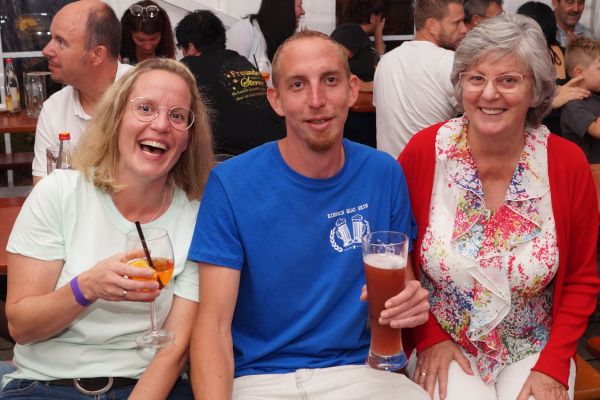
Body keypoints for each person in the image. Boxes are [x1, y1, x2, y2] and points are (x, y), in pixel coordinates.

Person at [188, 30, 430, 399]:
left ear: (352, 90)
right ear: (276, 99)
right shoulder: (231, 184)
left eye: (330, 80)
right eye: (298, 84)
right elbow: (213, 326)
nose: (317, 101)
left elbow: (400, 291)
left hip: (361, 373)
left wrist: (410, 303)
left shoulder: (383, 174)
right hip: (260, 379)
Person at [399, 13, 600, 400]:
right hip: (444, 341)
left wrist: (554, 364)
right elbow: (398, 258)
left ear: (536, 89)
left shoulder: (565, 163)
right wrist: (428, 336)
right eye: (476, 78)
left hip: (535, 345)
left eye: (508, 80)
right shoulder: (425, 152)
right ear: (461, 84)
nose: (489, 94)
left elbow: (581, 279)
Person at [2, 58, 214, 399]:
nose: (161, 124)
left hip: (146, 386)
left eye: (177, 116)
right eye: (145, 108)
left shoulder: (198, 218)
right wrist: (87, 287)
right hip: (47, 385)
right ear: (116, 119)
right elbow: (21, 327)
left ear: (188, 139)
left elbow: (173, 352)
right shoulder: (59, 193)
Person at [32, 0, 132, 185]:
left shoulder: (148, 94)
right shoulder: (53, 108)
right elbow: (43, 191)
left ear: (97, 54)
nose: (46, 50)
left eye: (60, 42)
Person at [175, 10, 285, 156]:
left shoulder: (188, 67)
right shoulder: (241, 61)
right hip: (279, 148)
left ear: (191, 47)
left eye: (181, 48)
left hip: (235, 157)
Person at [374, 0, 467, 158]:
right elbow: (477, 114)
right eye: (456, 23)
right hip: (430, 168)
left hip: (390, 168)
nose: (464, 29)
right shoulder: (448, 61)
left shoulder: (386, 60)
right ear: (432, 25)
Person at [518, 1, 591, 135]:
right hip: (566, 132)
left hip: (548, 133)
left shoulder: (521, 59)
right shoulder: (564, 53)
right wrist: (551, 101)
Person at [226, 0, 304, 68]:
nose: (303, 12)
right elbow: (229, 74)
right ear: (285, 8)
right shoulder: (243, 30)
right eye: (299, 6)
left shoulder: (284, 41)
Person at [330, 0, 385, 92]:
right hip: (355, 97)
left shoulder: (357, 33)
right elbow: (333, 61)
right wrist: (363, 85)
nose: (380, 20)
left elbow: (382, 61)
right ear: (372, 18)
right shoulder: (352, 31)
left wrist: (378, 32)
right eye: (380, 16)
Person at [561, 37, 600, 162]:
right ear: (579, 72)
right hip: (590, 170)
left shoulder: (595, 98)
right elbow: (597, 130)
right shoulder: (573, 106)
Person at [120, 0, 176, 65]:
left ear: (162, 33)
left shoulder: (166, 52)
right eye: (140, 40)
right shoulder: (119, 51)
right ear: (129, 33)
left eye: (153, 39)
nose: (148, 47)